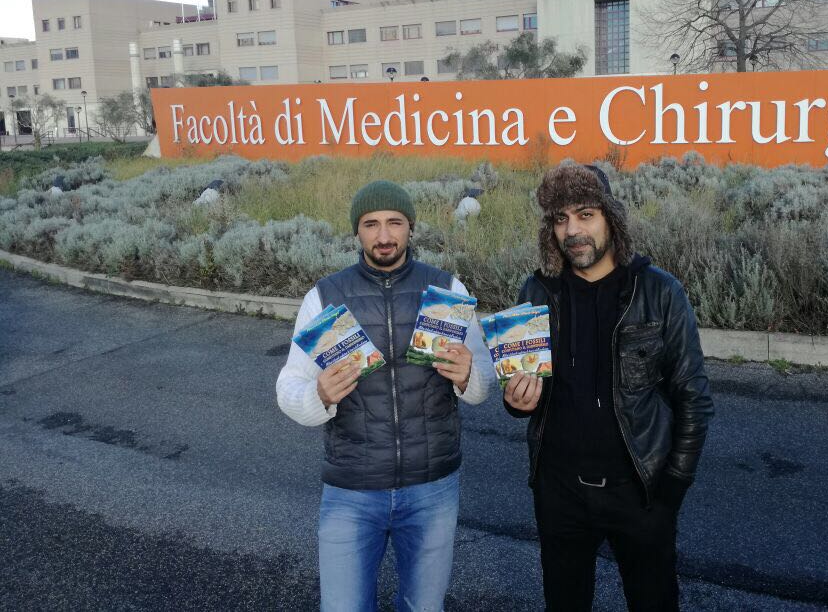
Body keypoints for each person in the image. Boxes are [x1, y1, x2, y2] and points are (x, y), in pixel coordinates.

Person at [503, 162, 714, 611]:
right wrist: (518, 402)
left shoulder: (660, 292)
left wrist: (672, 489)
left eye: (585, 215)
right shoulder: (537, 292)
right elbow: (524, 393)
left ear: (611, 218)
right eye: (561, 219)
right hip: (560, 493)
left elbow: (693, 398)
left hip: (639, 490)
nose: (572, 231)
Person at [276, 179, 493, 612]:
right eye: (370, 224)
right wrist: (318, 395)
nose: (384, 235)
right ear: (357, 231)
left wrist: (470, 376)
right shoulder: (325, 297)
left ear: (411, 226)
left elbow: (483, 376)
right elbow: (289, 385)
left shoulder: (447, 289)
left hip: (431, 486)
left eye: (394, 222)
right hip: (352, 488)